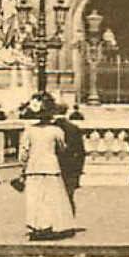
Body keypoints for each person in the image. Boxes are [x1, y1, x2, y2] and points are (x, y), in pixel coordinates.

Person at [19, 102, 76, 240]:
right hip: (51, 166)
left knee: (34, 197)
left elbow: (24, 152)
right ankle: (49, 224)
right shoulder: (56, 131)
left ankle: (35, 224)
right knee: (50, 197)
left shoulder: (29, 130)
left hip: (34, 166)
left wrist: (23, 166)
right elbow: (62, 148)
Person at [54, 104, 87, 211]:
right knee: (69, 195)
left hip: (52, 165)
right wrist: (79, 170)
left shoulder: (50, 128)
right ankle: (68, 220)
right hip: (70, 166)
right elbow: (81, 151)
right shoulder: (74, 128)